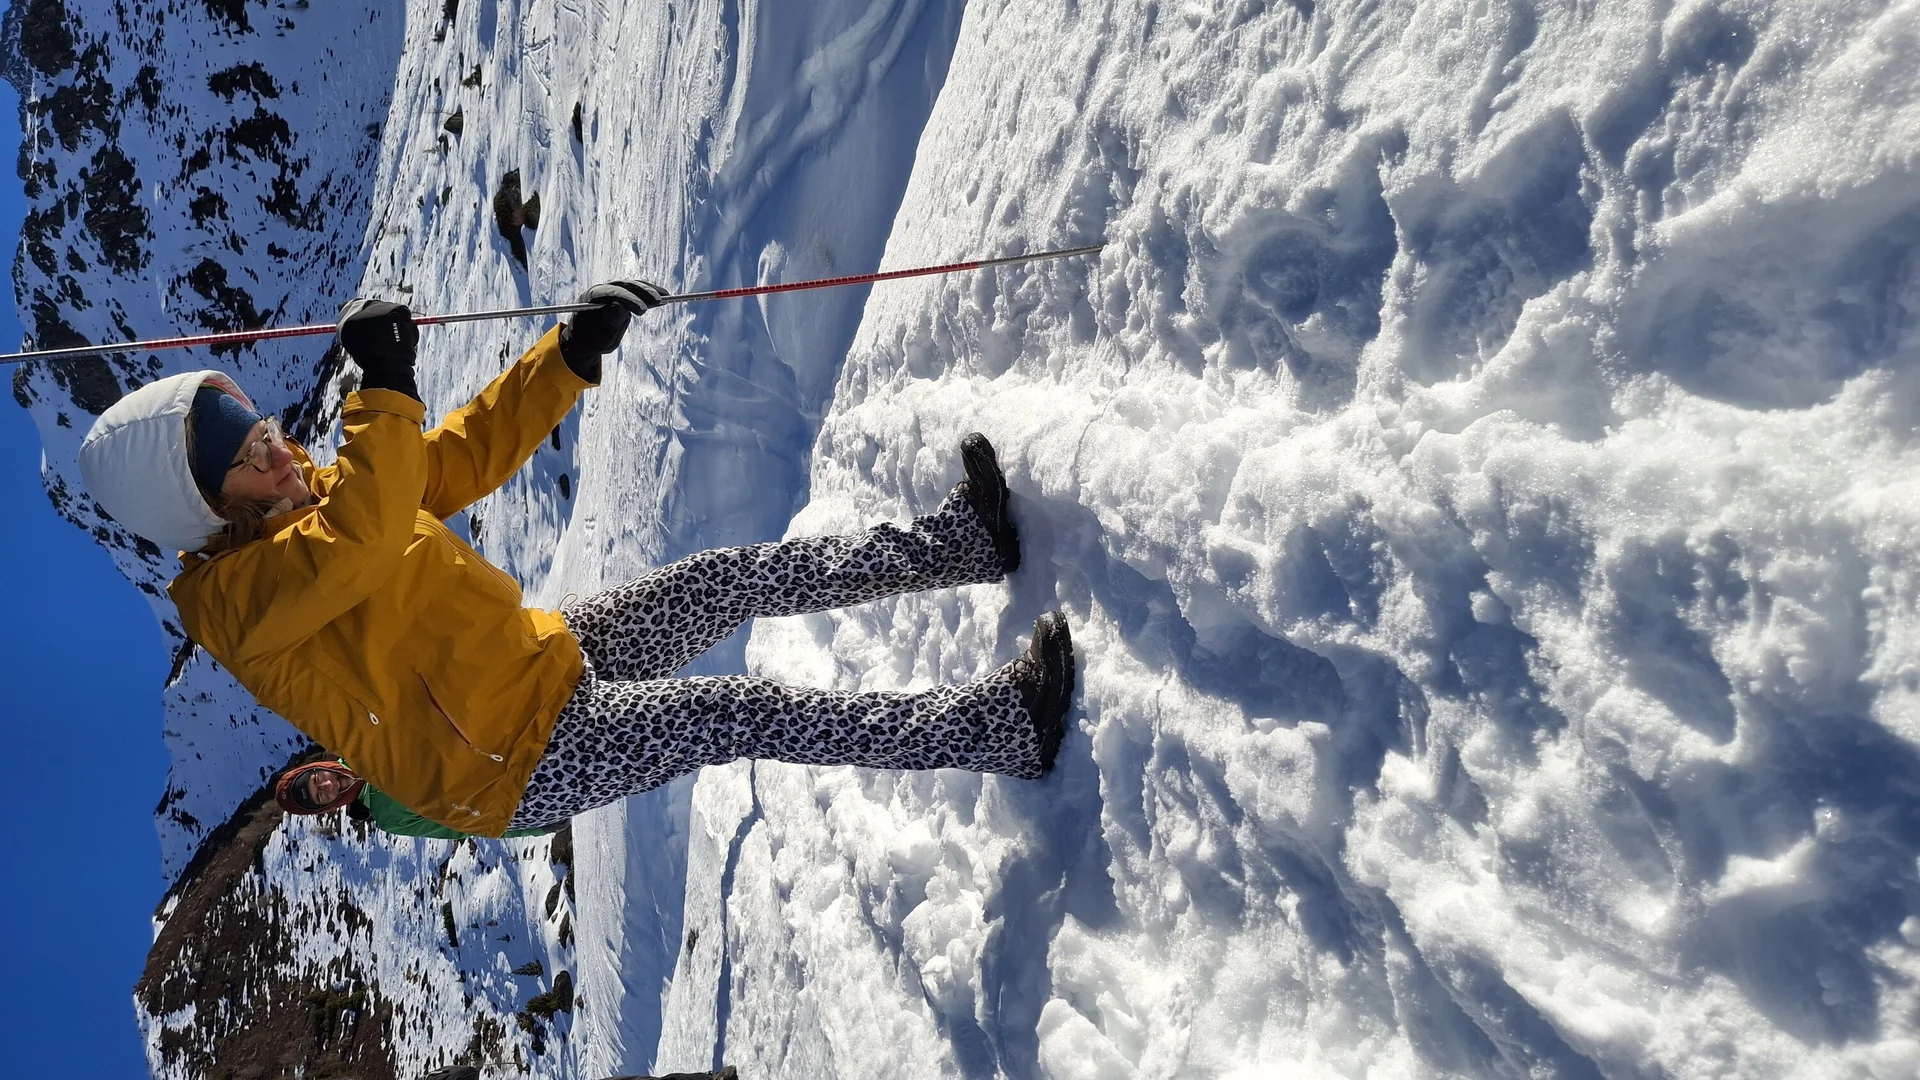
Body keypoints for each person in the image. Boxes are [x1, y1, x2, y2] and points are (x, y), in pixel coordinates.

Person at [78, 283, 1074, 838]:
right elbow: (365, 547)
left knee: (720, 579)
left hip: (544, 657)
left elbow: (458, 455)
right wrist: (380, 386)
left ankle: (958, 546)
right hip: (507, 764)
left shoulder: (337, 491)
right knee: (735, 710)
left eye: (257, 425)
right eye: (248, 457)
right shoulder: (235, 608)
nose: (276, 449)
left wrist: (567, 356)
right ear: (205, 513)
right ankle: (996, 731)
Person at [275, 758, 555, 839]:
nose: (327, 784)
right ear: (326, 806)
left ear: (316, 767)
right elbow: (461, 826)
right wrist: (535, 825)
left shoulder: (361, 743)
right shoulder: (388, 817)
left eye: (316, 778)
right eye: (321, 794)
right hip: (518, 794)